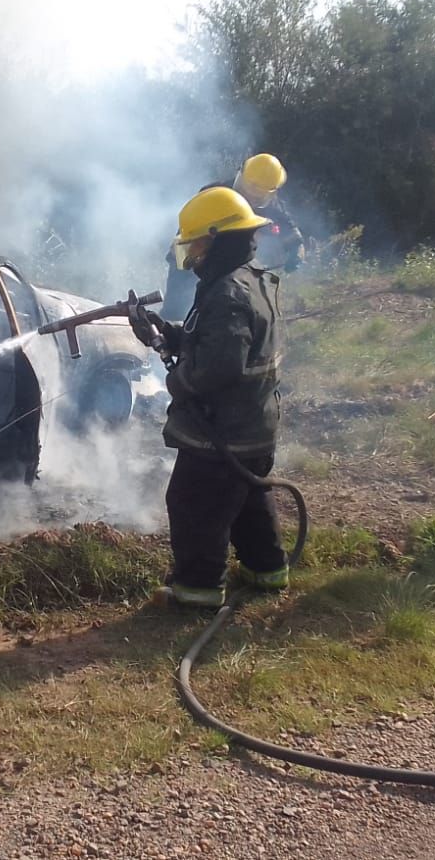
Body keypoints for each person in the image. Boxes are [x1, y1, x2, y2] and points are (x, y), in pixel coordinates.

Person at [131, 186, 286, 607]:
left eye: (198, 243)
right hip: (253, 426)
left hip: (222, 433)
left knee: (192, 502)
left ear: (219, 238)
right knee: (249, 498)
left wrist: (177, 382)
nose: (194, 253)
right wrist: (168, 333)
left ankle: (196, 589)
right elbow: (219, 342)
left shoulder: (227, 293)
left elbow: (219, 367)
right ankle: (267, 570)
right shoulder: (248, 279)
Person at [160, 153, 303, 322]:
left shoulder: (272, 206)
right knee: (176, 312)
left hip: (226, 269)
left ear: (270, 193)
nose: (249, 198)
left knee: (214, 316)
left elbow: (289, 231)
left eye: (256, 197)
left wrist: (296, 250)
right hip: (193, 259)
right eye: (246, 191)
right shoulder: (213, 194)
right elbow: (189, 235)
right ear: (240, 175)